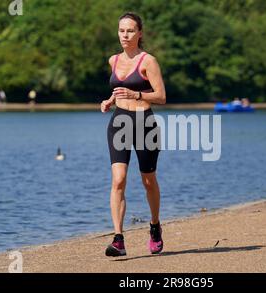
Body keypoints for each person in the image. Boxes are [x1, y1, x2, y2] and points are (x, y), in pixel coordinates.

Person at [100, 12, 166, 257]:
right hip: (119, 121)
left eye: (129, 31)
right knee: (118, 180)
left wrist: (137, 95)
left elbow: (161, 96)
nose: (124, 35)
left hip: (144, 123)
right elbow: (119, 90)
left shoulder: (149, 61)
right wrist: (109, 101)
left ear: (140, 34)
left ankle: (155, 226)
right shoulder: (113, 60)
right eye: (121, 31)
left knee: (148, 180)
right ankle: (118, 239)